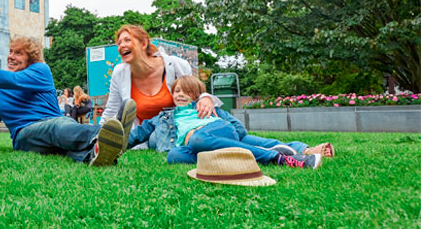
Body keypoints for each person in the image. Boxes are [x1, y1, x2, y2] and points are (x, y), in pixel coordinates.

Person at [0, 37, 139, 166]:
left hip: (58, 127)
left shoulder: (40, 71)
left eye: (18, 53)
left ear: (30, 58)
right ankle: (108, 135)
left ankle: (96, 154)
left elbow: (12, 81)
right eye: (10, 52)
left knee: (63, 143)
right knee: (58, 127)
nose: (11, 56)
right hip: (26, 136)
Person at [129, 75, 326, 168]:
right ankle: (290, 150)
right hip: (194, 147)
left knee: (200, 139)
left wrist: (212, 109)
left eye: (186, 91)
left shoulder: (207, 108)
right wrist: (109, 144)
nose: (180, 94)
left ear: (196, 95)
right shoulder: (164, 117)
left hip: (214, 132)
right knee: (173, 155)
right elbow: (137, 134)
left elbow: (239, 131)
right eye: (177, 91)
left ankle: (281, 159)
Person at [100, 25, 220, 143]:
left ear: (143, 44)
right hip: (147, 135)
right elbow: (111, 110)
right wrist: (98, 134)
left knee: (221, 119)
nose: (122, 46)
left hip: (179, 127)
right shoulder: (119, 72)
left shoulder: (176, 65)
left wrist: (205, 97)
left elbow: (194, 92)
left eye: (127, 40)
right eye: (119, 43)